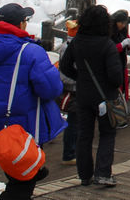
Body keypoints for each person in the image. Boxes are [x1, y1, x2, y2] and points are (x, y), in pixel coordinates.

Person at [0, 3, 65, 200]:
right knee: (21, 187)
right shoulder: (30, 52)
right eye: (25, 20)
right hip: (23, 129)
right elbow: (51, 89)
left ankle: (33, 173)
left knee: (19, 178)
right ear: (20, 24)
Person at [60, 4, 124, 188]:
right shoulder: (107, 45)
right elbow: (115, 77)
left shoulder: (77, 42)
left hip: (83, 95)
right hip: (105, 97)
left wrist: (81, 78)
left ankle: (84, 175)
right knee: (107, 133)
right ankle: (103, 173)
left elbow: (65, 67)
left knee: (84, 135)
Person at [56, 14, 79, 165]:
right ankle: (69, 153)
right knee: (74, 121)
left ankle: (72, 152)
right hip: (73, 89)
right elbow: (66, 71)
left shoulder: (68, 45)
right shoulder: (70, 48)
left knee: (75, 121)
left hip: (73, 87)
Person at [110, 9, 130, 99]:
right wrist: (122, 44)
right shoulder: (109, 32)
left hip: (122, 63)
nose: (123, 25)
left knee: (124, 85)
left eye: (125, 23)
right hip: (113, 64)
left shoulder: (123, 31)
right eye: (121, 23)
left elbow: (127, 40)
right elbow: (110, 49)